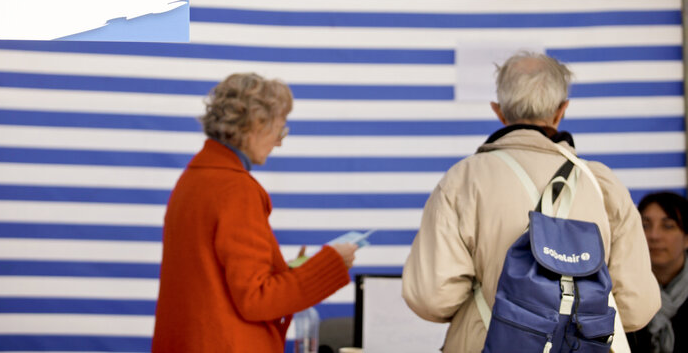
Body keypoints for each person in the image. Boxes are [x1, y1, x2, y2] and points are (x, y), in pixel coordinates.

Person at [402, 51, 660, 352]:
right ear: (561, 110)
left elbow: (432, 298)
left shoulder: (462, 180)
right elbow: (637, 306)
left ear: (499, 111)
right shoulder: (602, 184)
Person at [152, 73, 358, 353]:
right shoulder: (237, 189)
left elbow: (219, 279)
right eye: (280, 129)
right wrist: (330, 264)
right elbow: (257, 298)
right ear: (257, 125)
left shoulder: (192, 179)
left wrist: (291, 271)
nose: (279, 142)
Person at [627, 192, 688, 353]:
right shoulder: (621, 289)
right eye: (645, 225)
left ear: (686, 237)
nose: (654, 236)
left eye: (668, 226)